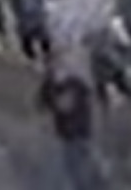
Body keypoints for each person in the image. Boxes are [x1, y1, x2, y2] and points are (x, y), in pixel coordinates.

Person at [40, 62, 110, 190]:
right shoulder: (52, 87)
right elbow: (43, 104)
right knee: (75, 169)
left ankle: (99, 183)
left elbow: (65, 105)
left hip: (80, 134)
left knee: (85, 165)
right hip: (68, 136)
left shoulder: (75, 85)